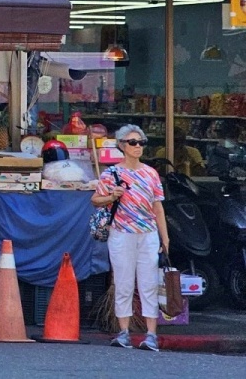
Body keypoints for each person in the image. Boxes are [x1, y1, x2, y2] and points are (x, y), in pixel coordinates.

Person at [92, 123, 169, 352]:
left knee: (148, 283)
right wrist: (111, 197)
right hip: (121, 233)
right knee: (123, 282)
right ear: (122, 146)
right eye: (133, 142)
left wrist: (165, 238)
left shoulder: (151, 173)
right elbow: (95, 200)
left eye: (141, 142)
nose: (138, 146)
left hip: (148, 234)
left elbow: (158, 207)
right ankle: (124, 331)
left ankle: (151, 334)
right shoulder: (111, 174)